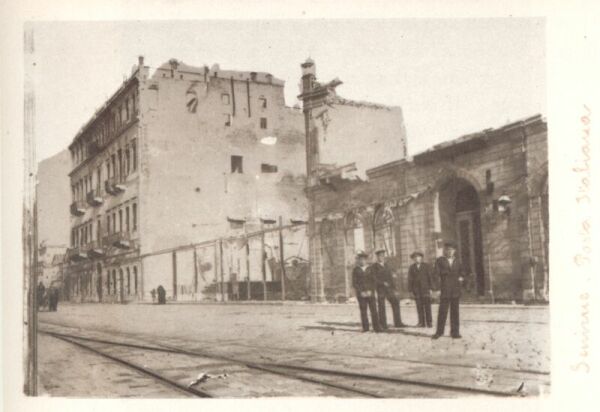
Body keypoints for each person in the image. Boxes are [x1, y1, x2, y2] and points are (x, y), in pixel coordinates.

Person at [432, 242, 467, 339]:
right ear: (445, 251)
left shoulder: (458, 261)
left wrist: (462, 278)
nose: (450, 252)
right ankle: (439, 332)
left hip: (455, 289)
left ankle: (455, 332)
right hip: (445, 289)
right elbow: (435, 275)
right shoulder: (440, 261)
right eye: (448, 250)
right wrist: (437, 288)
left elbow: (463, 272)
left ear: (454, 251)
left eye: (452, 250)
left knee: (455, 312)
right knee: (442, 311)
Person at [370, 249, 405, 329]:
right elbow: (373, 278)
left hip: (389, 289)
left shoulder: (387, 265)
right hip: (380, 289)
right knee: (381, 306)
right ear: (377, 257)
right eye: (380, 256)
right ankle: (383, 324)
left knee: (395, 302)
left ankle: (398, 322)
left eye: (383, 256)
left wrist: (394, 288)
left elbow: (391, 277)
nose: (381, 257)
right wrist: (382, 283)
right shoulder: (374, 267)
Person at [352, 251, 381, 332]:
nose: (362, 261)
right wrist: (361, 292)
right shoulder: (356, 270)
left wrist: (370, 291)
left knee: (374, 310)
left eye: (364, 259)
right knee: (363, 311)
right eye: (360, 260)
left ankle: (377, 327)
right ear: (358, 261)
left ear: (366, 260)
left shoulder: (370, 269)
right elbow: (355, 283)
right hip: (361, 294)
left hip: (370, 293)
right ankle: (365, 328)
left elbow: (374, 281)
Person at [408, 251, 434, 327]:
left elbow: (430, 277)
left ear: (421, 258)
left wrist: (431, 288)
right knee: (419, 306)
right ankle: (421, 322)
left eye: (418, 257)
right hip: (416, 290)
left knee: (427, 306)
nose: (417, 259)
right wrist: (410, 290)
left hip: (425, 289)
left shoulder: (426, 266)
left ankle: (429, 322)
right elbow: (410, 279)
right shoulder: (412, 267)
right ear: (413, 259)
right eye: (415, 257)